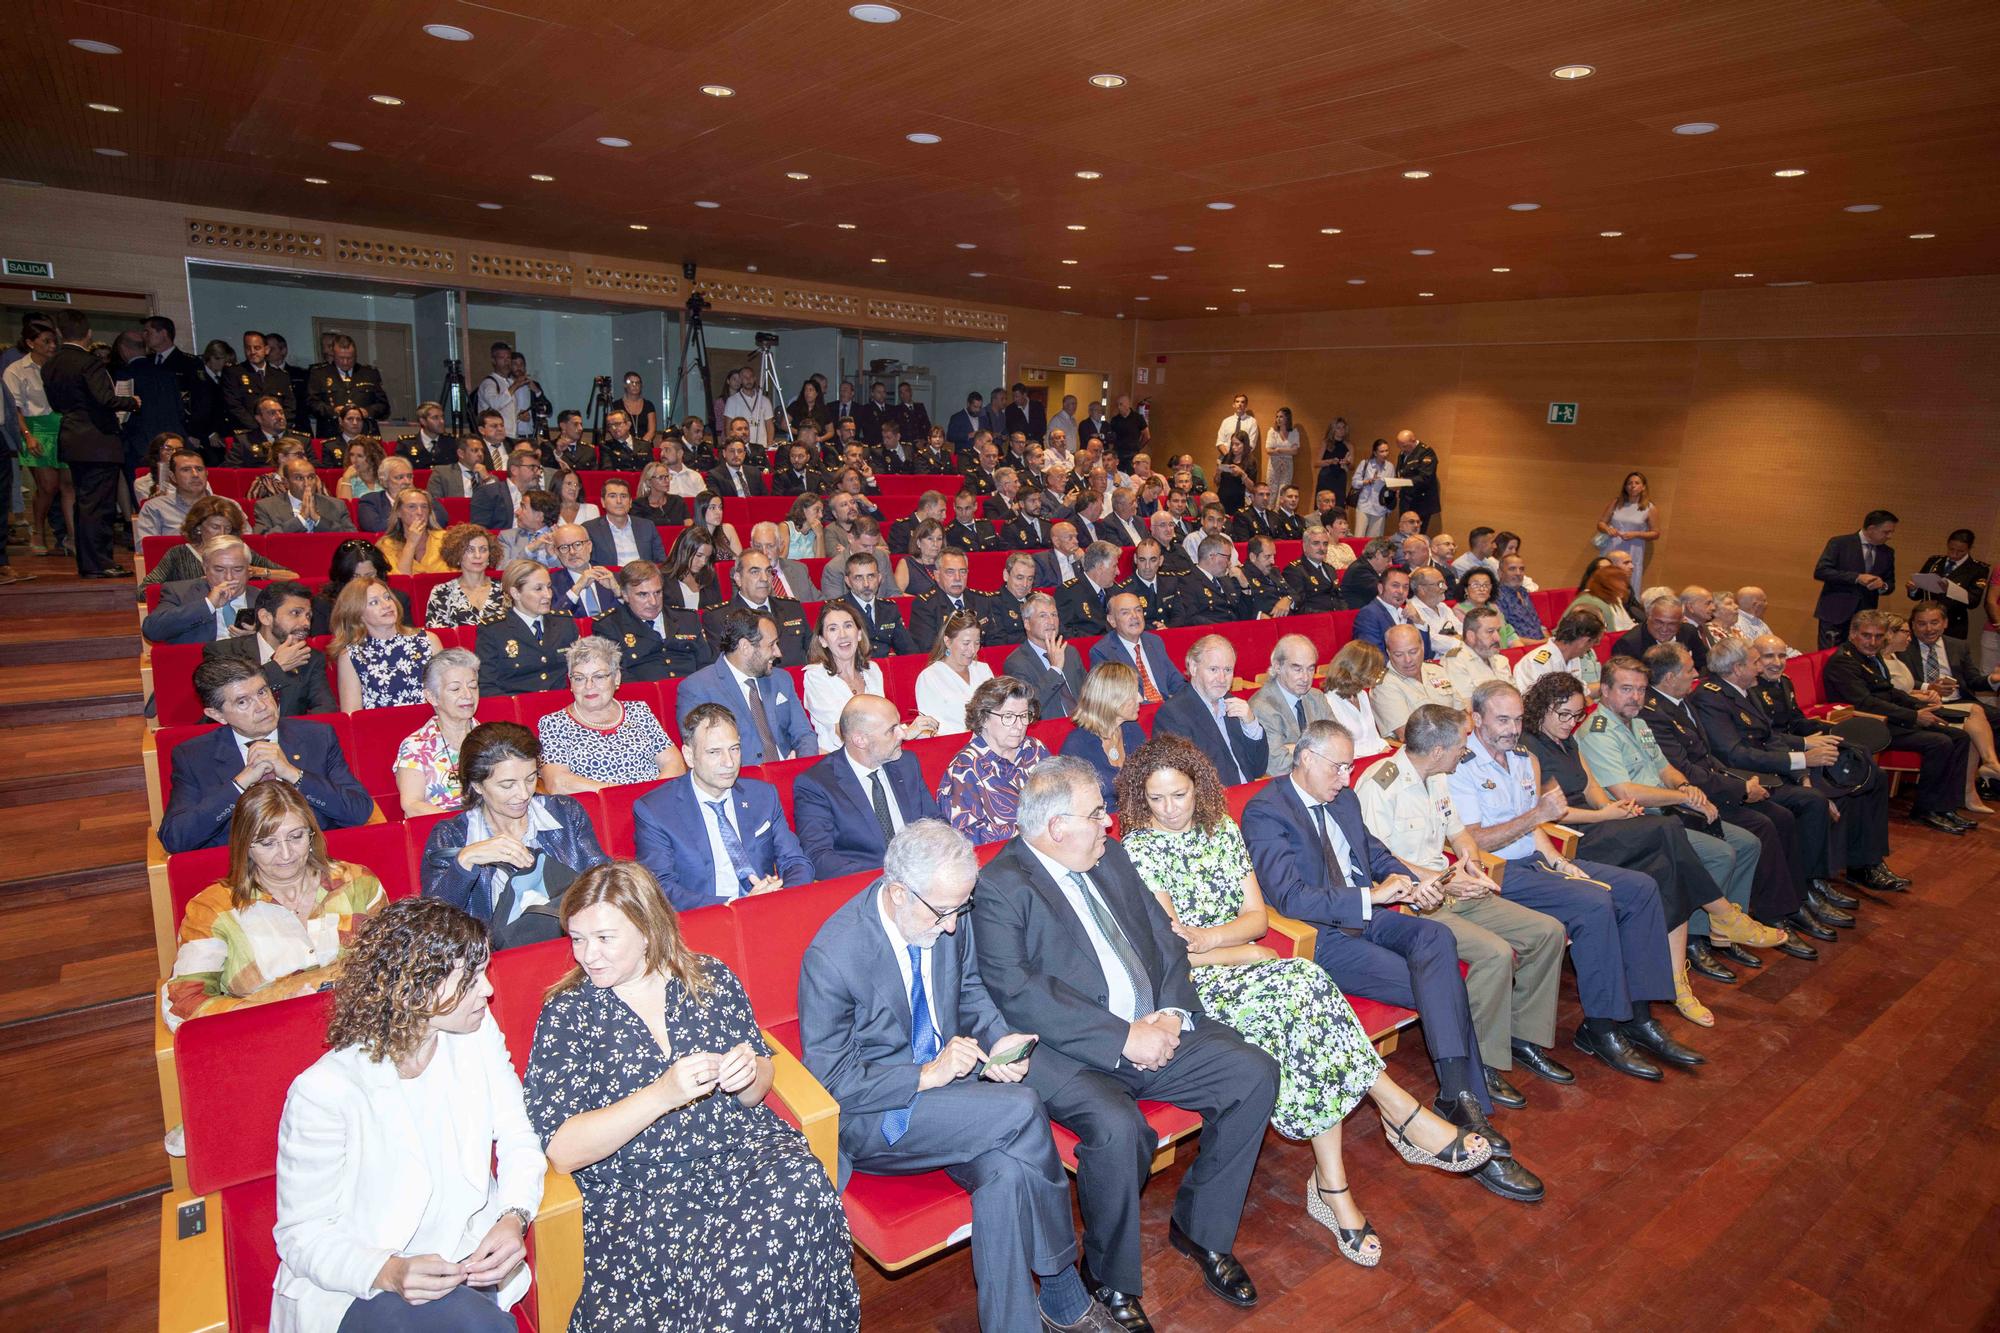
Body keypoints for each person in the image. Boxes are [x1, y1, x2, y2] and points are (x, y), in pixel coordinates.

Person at [1124, 734, 1493, 1264]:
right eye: (1156, 799)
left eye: (1178, 795)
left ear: (1196, 788)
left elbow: (1256, 918)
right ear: (1141, 799)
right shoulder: (1138, 850)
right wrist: (1238, 951)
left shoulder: (1222, 831)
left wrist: (1222, 939)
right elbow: (1176, 954)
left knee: (1307, 1007)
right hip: (1193, 990)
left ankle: (1337, 1185)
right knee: (1305, 990)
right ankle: (1393, 1120)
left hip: (1246, 969)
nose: (1169, 810)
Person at [971, 755, 1279, 1324]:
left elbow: (1163, 939)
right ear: (1057, 827)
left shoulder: (1108, 855)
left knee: (1252, 1072)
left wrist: (1166, 1014)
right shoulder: (1001, 886)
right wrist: (1123, 1038)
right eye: (1096, 814)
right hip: (1068, 1051)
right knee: (1117, 1130)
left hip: (1152, 1025)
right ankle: (1108, 1275)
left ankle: (1201, 1228)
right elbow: (1018, 992)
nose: (1109, 823)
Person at [798, 822, 1116, 1333]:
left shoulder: (945, 907)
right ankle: (1061, 1283)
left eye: (959, 910)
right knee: (1022, 1106)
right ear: (898, 892)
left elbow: (970, 991)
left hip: (957, 1099)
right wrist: (925, 1074)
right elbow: (833, 1080)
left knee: (1007, 1175)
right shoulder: (834, 956)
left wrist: (997, 1042)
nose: (951, 926)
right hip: (880, 1116)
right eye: (944, 912)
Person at [525, 863, 859, 1330]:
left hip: (744, 1156)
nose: (587, 955)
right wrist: (661, 1095)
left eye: (604, 938)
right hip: (644, 1189)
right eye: (577, 939)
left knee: (802, 1185)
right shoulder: (567, 1013)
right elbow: (562, 1151)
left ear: (647, 929)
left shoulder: (710, 979)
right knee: (728, 1294)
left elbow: (759, 1086)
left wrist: (750, 1074)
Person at [1238, 718, 1545, 1198]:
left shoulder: (1342, 798)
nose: (1345, 777)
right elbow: (1291, 896)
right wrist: (1373, 897)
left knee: (1435, 941)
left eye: (1348, 767)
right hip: (1322, 935)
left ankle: (1457, 1097)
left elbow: (1375, 853)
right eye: (1338, 768)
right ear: (1305, 759)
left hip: (1369, 912)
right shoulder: (1266, 811)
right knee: (1443, 984)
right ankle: (1466, 1104)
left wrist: (1413, 881)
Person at [272, 897, 542, 1333]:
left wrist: (514, 1216)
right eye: (470, 980)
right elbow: (301, 1234)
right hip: (361, 1286)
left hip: (463, 1263)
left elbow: (518, 1136)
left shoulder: (476, 1034)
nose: (488, 990)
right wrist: (388, 1270)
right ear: (416, 989)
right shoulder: (325, 1090)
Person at [1354, 706, 1576, 1104]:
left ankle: (1521, 1037)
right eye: (1461, 743)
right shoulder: (1379, 786)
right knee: (1494, 954)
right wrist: (1447, 880)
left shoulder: (1438, 777)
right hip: (1413, 904)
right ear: (1438, 749)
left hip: (1454, 887)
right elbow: (1376, 861)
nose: (1466, 750)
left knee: (1547, 932)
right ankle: (1483, 1063)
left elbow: (1458, 833)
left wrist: (1470, 861)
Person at [1507, 674, 1731, 1052]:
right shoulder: (1529, 749)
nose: (1570, 722)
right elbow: (1548, 815)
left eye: (1577, 715)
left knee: (1659, 873)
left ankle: (1642, 1013)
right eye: (1563, 714)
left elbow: (1592, 789)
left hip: (1598, 826)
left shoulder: (1569, 739)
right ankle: (1721, 912)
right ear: (1541, 708)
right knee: (1666, 827)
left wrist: (1612, 808)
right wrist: (1604, 815)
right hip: (1575, 839)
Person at [1631, 645, 1838, 952]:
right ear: (1671, 676)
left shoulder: (1681, 702)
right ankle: (1773, 915)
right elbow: (1686, 770)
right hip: (1695, 798)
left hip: (1717, 784)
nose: (1697, 674)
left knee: (1781, 816)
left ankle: (1796, 900)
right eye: (1690, 670)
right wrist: (1740, 789)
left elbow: (1710, 758)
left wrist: (1740, 783)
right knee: (1764, 825)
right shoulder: (1655, 714)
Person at [164, 777, 386, 1032]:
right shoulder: (213, 909)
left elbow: (390, 964)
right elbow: (184, 1003)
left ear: (311, 834)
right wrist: (271, 1005)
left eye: (296, 836)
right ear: (245, 846)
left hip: (361, 1028)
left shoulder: (356, 882)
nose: (286, 854)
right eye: (268, 843)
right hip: (267, 1036)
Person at [1699, 634, 1908, 896]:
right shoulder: (1717, 696)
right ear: (1738, 667)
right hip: (1756, 774)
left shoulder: (1755, 687)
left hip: (1781, 759)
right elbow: (1737, 752)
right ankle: (1815, 881)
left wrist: (1804, 762)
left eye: (1781, 655)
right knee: (1822, 797)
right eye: (1760, 660)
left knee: (1866, 770)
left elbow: (1773, 735)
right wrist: (1802, 763)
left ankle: (1865, 863)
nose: (1766, 666)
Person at [419, 721, 605, 947]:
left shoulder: (565, 813)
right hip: (488, 961)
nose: (523, 794)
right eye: (507, 785)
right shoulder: (452, 836)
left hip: (571, 946)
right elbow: (433, 924)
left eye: (530, 779)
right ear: (477, 785)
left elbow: (603, 881)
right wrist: (464, 862)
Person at [160, 657, 373, 853]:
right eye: (243, 702)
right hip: (241, 874)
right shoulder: (193, 756)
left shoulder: (317, 736)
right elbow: (175, 839)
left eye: (263, 692)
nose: (262, 706)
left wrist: (294, 774)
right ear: (216, 715)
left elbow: (359, 811)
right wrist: (239, 785)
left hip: (314, 859)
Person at [633, 703, 815, 911]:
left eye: (734, 749)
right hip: (704, 919)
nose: (729, 762)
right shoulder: (656, 810)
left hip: (768, 908)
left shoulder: (763, 796)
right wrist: (734, 905)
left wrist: (781, 894)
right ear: (689, 756)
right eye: (714, 752)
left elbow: (795, 861)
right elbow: (660, 888)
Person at [1819, 609, 1978, 833]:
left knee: (1960, 736)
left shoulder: (1870, 657)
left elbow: (1889, 691)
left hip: (1892, 718)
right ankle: (1926, 809)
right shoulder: (1843, 662)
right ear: (1853, 633)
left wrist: (1919, 706)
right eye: (1866, 635)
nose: (1872, 642)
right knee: (1939, 742)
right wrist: (1914, 716)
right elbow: (1866, 703)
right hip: (1869, 725)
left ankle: (1946, 806)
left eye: (1878, 636)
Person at [795, 694, 942, 880]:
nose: (903, 734)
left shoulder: (906, 763)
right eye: (892, 730)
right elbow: (819, 856)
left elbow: (935, 822)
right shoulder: (817, 784)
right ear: (860, 740)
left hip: (922, 874)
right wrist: (886, 878)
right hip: (866, 885)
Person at [41, 309, 137, 578]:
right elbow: (106, 399)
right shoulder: (89, 362)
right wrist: (132, 402)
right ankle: (101, 563)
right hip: (98, 441)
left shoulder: (51, 364)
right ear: (89, 334)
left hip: (72, 437)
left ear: (60, 333)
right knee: (99, 506)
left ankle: (89, 562)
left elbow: (56, 404)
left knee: (85, 503)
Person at [534, 637, 684, 793]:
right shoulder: (554, 724)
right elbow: (558, 782)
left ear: (616, 677)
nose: (589, 686)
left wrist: (653, 797)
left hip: (653, 804)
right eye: (579, 678)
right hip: (596, 810)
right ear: (570, 683)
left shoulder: (639, 711)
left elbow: (674, 763)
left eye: (599, 677)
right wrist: (622, 795)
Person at [675, 607, 818, 767]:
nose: (778, 653)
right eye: (771, 645)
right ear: (745, 647)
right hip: (738, 782)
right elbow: (702, 756)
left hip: (789, 773)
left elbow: (805, 735)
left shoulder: (781, 679)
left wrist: (802, 764)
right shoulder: (697, 688)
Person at [1883, 613, 1993, 813]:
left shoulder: (1957, 645)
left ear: (1945, 623)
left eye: (1934, 623)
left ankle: (1981, 781)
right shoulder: (1891, 657)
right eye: (1909, 631)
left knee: (1979, 716)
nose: (1926, 630)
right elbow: (1890, 693)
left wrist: (1992, 679)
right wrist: (1925, 693)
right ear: (1890, 634)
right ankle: (1962, 794)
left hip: (1935, 701)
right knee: (1965, 729)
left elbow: (1902, 690)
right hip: (1908, 713)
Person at [939, 676, 1051, 844]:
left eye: (1024, 715)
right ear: (983, 718)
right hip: (1003, 858)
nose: (1019, 725)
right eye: (1008, 716)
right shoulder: (965, 767)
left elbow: (1061, 796)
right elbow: (968, 835)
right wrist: (1035, 832)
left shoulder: (1034, 749)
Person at [201, 580, 336, 717]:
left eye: (308, 616)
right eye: (296, 613)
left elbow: (325, 708)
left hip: (287, 735)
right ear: (265, 617)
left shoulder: (310, 657)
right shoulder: (223, 652)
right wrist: (276, 668)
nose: (306, 623)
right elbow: (227, 702)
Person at [1154, 635, 1268, 786]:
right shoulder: (1173, 714)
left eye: (1228, 670)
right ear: (1193, 667)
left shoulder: (1235, 706)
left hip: (1249, 794)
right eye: (1213, 669)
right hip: (1215, 803)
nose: (1222, 679)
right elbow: (1183, 782)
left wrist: (1251, 724)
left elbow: (1258, 769)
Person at [590, 559, 712, 682]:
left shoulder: (687, 619)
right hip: (645, 696)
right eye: (643, 595)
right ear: (625, 595)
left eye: (657, 592)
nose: (653, 602)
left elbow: (706, 665)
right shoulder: (609, 626)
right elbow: (618, 675)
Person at [330, 577, 441, 712]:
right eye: (374, 602)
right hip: (382, 729)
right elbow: (352, 714)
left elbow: (447, 694)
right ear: (358, 614)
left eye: (387, 597)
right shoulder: (351, 656)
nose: (386, 605)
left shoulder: (429, 640)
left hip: (431, 726)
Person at [395, 648, 482, 817]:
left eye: (473, 686)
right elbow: (412, 805)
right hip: (442, 828)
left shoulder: (492, 737)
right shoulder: (416, 746)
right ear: (432, 697)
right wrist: (462, 824)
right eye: (455, 689)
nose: (468, 695)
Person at [476, 561, 578, 697]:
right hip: (516, 711)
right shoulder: (494, 631)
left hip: (562, 706)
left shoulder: (564, 623)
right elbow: (487, 685)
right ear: (516, 593)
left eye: (548, 587)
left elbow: (581, 672)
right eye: (538, 589)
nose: (548, 595)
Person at [1250, 634, 1339, 776]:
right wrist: (1318, 752)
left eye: (1310, 669)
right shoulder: (1263, 707)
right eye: (1297, 669)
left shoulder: (1316, 697)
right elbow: (1278, 766)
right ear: (1277, 666)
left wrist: (1295, 749)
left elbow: (1337, 744)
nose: (1305, 678)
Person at [802, 600, 885, 752]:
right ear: (823, 641)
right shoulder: (815, 677)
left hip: (877, 751)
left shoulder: (873, 670)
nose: (843, 635)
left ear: (859, 634)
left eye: (848, 626)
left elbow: (883, 718)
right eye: (833, 629)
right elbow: (842, 731)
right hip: (838, 759)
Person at [143, 535, 254, 645]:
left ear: (248, 570)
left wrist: (258, 637)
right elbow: (152, 630)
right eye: (219, 570)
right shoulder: (179, 592)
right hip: (200, 661)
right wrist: (208, 604)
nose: (229, 577)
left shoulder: (263, 597)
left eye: (238, 569)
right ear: (205, 568)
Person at [1812, 509, 1899, 647]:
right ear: (1871, 529)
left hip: (1865, 618)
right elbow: (1821, 571)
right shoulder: (1840, 543)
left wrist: (1882, 586)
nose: (1890, 536)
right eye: (1886, 532)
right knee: (1827, 656)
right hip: (1835, 612)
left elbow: (1890, 584)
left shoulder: (1887, 552)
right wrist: (1857, 578)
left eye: (1891, 532)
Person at [1005, 591, 1088, 719]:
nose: (1051, 621)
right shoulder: (1016, 662)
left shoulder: (1070, 652)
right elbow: (1029, 707)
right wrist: (1055, 669)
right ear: (1027, 623)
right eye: (1043, 616)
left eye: (1054, 615)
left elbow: (1089, 693)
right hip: (1050, 731)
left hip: (1085, 724)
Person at [1906, 527, 1989, 643]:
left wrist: (1950, 590)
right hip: (1925, 618)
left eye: (1960, 551)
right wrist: (1913, 589)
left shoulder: (1978, 569)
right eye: (1951, 549)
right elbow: (1919, 593)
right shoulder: (1934, 561)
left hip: (1953, 623)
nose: (1954, 554)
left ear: (1969, 549)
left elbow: (1973, 601)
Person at [305, 333, 391, 437]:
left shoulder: (369, 373)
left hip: (365, 434)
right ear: (333, 354)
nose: (345, 362)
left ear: (355, 355)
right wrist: (333, 411)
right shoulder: (320, 373)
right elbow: (311, 403)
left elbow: (384, 407)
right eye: (341, 358)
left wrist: (367, 411)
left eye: (350, 358)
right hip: (332, 435)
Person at [1322, 640, 1394, 759]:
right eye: (1375, 670)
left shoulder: (1361, 695)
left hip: (1375, 760)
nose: (1379, 674)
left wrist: (1384, 747)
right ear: (1360, 670)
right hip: (1354, 765)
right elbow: (1336, 752)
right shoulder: (1329, 702)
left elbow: (1374, 738)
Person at [1514, 607, 1607, 698]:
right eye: (1594, 642)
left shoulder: (1573, 658)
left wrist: (1611, 687)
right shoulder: (1538, 662)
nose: (1591, 648)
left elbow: (1583, 691)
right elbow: (1539, 703)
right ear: (1583, 642)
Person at [423, 525, 506, 628]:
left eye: (483, 549)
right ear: (457, 555)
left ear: (490, 554)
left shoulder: (505, 589)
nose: (477, 555)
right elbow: (438, 636)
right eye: (470, 550)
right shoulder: (441, 592)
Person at [584, 476, 667, 569]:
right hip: (609, 579)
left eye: (623, 496)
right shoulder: (590, 529)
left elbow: (661, 560)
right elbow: (587, 565)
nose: (619, 501)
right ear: (603, 502)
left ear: (630, 502)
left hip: (644, 579)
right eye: (612, 496)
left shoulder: (647, 526)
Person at [1596, 471, 1660, 588]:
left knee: (1628, 581)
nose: (1633, 486)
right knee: (1606, 578)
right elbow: (1601, 523)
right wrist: (1607, 529)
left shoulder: (1649, 508)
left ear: (1643, 487)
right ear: (1625, 487)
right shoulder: (1616, 502)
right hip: (1612, 547)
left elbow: (1656, 533)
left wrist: (1636, 534)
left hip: (1633, 550)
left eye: (1637, 483)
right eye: (1629, 483)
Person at [360, 456, 446, 534]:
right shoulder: (371, 500)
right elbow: (375, 526)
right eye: (399, 477)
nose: (407, 482)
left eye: (409, 476)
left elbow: (442, 518)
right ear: (384, 482)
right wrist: (409, 521)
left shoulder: (424, 497)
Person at [376, 488, 450, 575]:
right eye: (412, 506)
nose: (420, 512)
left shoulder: (446, 539)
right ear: (398, 512)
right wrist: (411, 543)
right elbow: (402, 581)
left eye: (424, 506)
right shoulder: (386, 545)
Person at [662, 526, 719, 611]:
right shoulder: (663, 578)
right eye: (699, 555)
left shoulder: (709, 576)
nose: (703, 562)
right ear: (684, 550)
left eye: (707, 558)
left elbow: (717, 612)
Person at [1572, 559, 1636, 634]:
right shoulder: (1591, 600)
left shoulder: (1614, 598)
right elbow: (1607, 633)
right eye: (1620, 582)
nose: (1624, 586)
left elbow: (1628, 625)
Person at [1350, 439, 1394, 537]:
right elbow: (1354, 483)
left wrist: (1388, 508)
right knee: (1359, 537)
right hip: (1364, 505)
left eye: (1386, 450)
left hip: (1380, 508)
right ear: (1375, 452)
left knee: (1374, 541)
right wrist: (1367, 481)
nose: (1385, 454)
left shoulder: (1390, 466)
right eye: (1381, 451)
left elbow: (1391, 489)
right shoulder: (1365, 464)